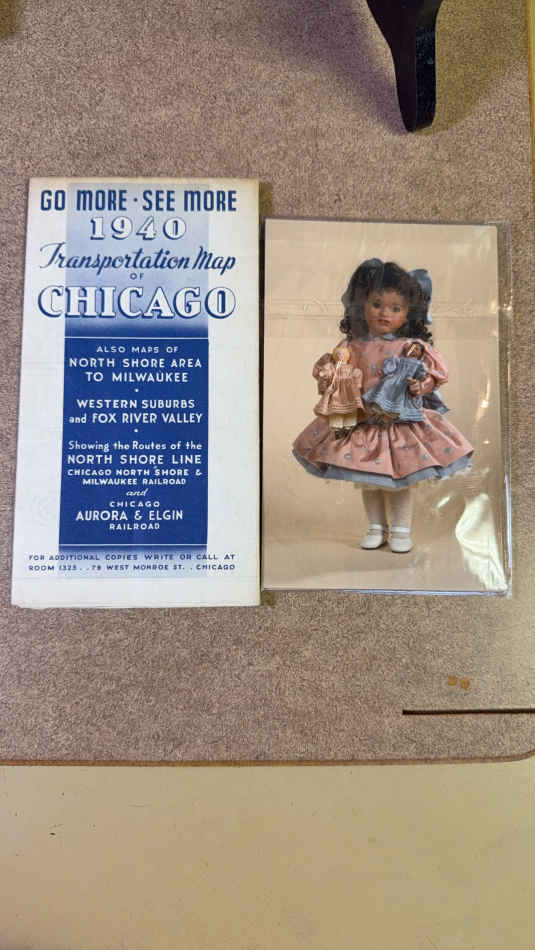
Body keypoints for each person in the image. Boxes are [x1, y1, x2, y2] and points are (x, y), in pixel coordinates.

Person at [292, 259, 473, 553]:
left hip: (401, 423)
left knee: (400, 479)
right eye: (376, 304)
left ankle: (401, 530)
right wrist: (332, 378)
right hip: (364, 422)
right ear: (362, 305)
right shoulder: (353, 346)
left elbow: (431, 375)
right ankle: (376, 528)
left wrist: (421, 386)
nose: (384, 313)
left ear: (408, 312)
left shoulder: (410, 347)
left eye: (395, 308)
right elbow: (339, 372)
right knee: (369, 480)